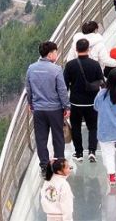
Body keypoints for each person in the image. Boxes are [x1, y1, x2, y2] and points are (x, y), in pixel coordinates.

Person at [27, 41, 69, 170]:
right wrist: (66, 106)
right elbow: (62, 90)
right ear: (50, 54)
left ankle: (44, 165)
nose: (57, 54)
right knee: (58, 137)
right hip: (55, 109)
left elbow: (29, 88)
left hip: (38, 109)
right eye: (56, 52)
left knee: (41, 138)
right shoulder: (56, 69)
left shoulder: (31, 68)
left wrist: (30, 103)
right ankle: (59, 164)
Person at [63, 39, 103, 162]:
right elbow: (101, 81)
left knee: (76, 127)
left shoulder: (70, 65)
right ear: (89, 49)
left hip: (75, 102)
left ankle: (79, 152)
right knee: (93, 127)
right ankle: (92, 151)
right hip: (92, 102)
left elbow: (65, 85)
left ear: (76, 49)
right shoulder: (95, 64)